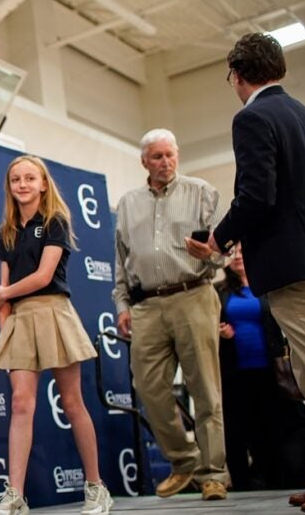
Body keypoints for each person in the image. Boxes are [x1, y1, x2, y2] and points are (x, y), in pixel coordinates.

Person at [196, 32, 305, 514]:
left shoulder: (252, 117)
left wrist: (219, 237)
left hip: (293, 264)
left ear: (236, 75)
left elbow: (258, 195)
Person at [0, 156, 112, 515]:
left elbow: (42, 277)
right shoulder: (7, 231)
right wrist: (6, 330)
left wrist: (5, 294)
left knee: (72, 402)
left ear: (43, 184)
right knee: (20, 404)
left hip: (55, 313)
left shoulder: (56, 220)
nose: (22, 184)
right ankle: (15, 496)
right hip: (20, 320)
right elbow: (2, 295)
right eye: (15, 179)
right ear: (9, 187)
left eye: (30, 178)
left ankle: (96, 487)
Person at [112, 128, 229, 501]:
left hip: (194, 295)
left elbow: (225, 252)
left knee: (204, 389)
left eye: (170, 155)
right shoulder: (128, 203)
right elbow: (121, 260)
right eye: (157, 157)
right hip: (146, 304)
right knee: (148, 387)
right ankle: (184, 460)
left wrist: (211, 255)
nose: (165, 162)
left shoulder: (202, 192)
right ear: (144, 161)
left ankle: (213, 474)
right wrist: (122, 304)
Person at [216, 245, 305, 490]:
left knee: (274, 425)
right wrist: (220, 331)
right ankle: (243, 482)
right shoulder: (219, 291)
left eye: (242, 251)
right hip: (234, 371)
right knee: (237, 428)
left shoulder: (269, 287)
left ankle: (279, 479)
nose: (238, 256)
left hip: (271, 370)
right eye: (233, 253)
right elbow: (208, 324)